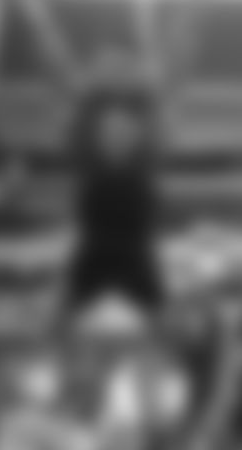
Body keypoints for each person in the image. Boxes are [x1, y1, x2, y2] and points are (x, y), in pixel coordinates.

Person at [62, 63, 166, 321]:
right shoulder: (88, 150)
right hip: (95, 250)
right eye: (109, 133)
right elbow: (64, 83)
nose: (117, 137)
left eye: (124, 133)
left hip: (135, 251)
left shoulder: (144, 152)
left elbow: (163, 95)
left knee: (161, 317)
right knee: (64, 317)